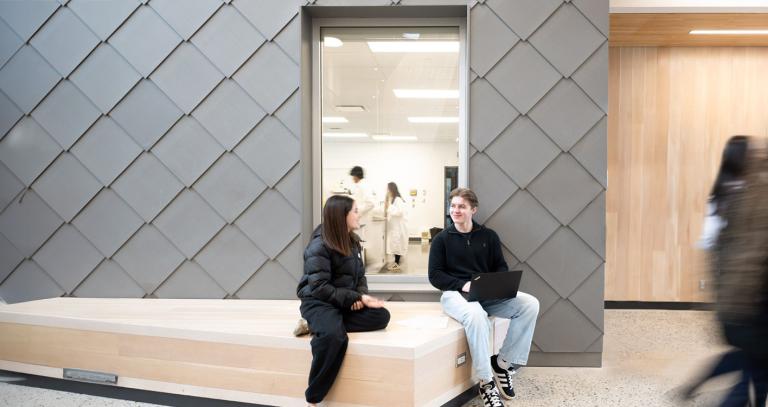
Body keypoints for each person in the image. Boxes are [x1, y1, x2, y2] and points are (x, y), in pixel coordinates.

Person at [428, 188, 539, 407]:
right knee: (476, 315)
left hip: (486, 294)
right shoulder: (441, 239)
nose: (455, 210)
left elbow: (501, 267)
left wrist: (494, 284)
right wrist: (463, 284)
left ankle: (502, 363)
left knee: (529, 304)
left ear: (473, 210)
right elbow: (435, 275)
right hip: (455, 294)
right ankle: (486, 382)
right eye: (453, 206)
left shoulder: (489, 236)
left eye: (461, 206)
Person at [687, 136, 768, 406]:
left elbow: (713, 247)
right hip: (749, 302)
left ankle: (698, 383)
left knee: (751, 364)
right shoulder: (750, 197)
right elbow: (751, 255)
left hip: (735, 300)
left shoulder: (728, 194)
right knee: (752, 369)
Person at [296, 195, 390, 407]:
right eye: (355, 211)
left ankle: (316, 325)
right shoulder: (319, 246)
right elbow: (319, 287)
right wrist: (354, 298)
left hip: (342, 300)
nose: (359, 214)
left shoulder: (352, 240)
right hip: (318, 301)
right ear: (342, 216)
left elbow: (360, 277)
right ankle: (313, 398)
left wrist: (360, 297)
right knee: (334, 337)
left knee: (381, 316)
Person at [385, 182, 409, 272]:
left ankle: (397, 264)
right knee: (396, 245)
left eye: (388, 189)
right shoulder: (395, 199)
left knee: (397, 244)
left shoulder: (398, 199)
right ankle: (396, 263)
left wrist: (389, 207)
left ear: (391, 190)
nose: (387, 191)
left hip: (398, 227)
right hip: (396, 227)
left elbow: (399, 212)